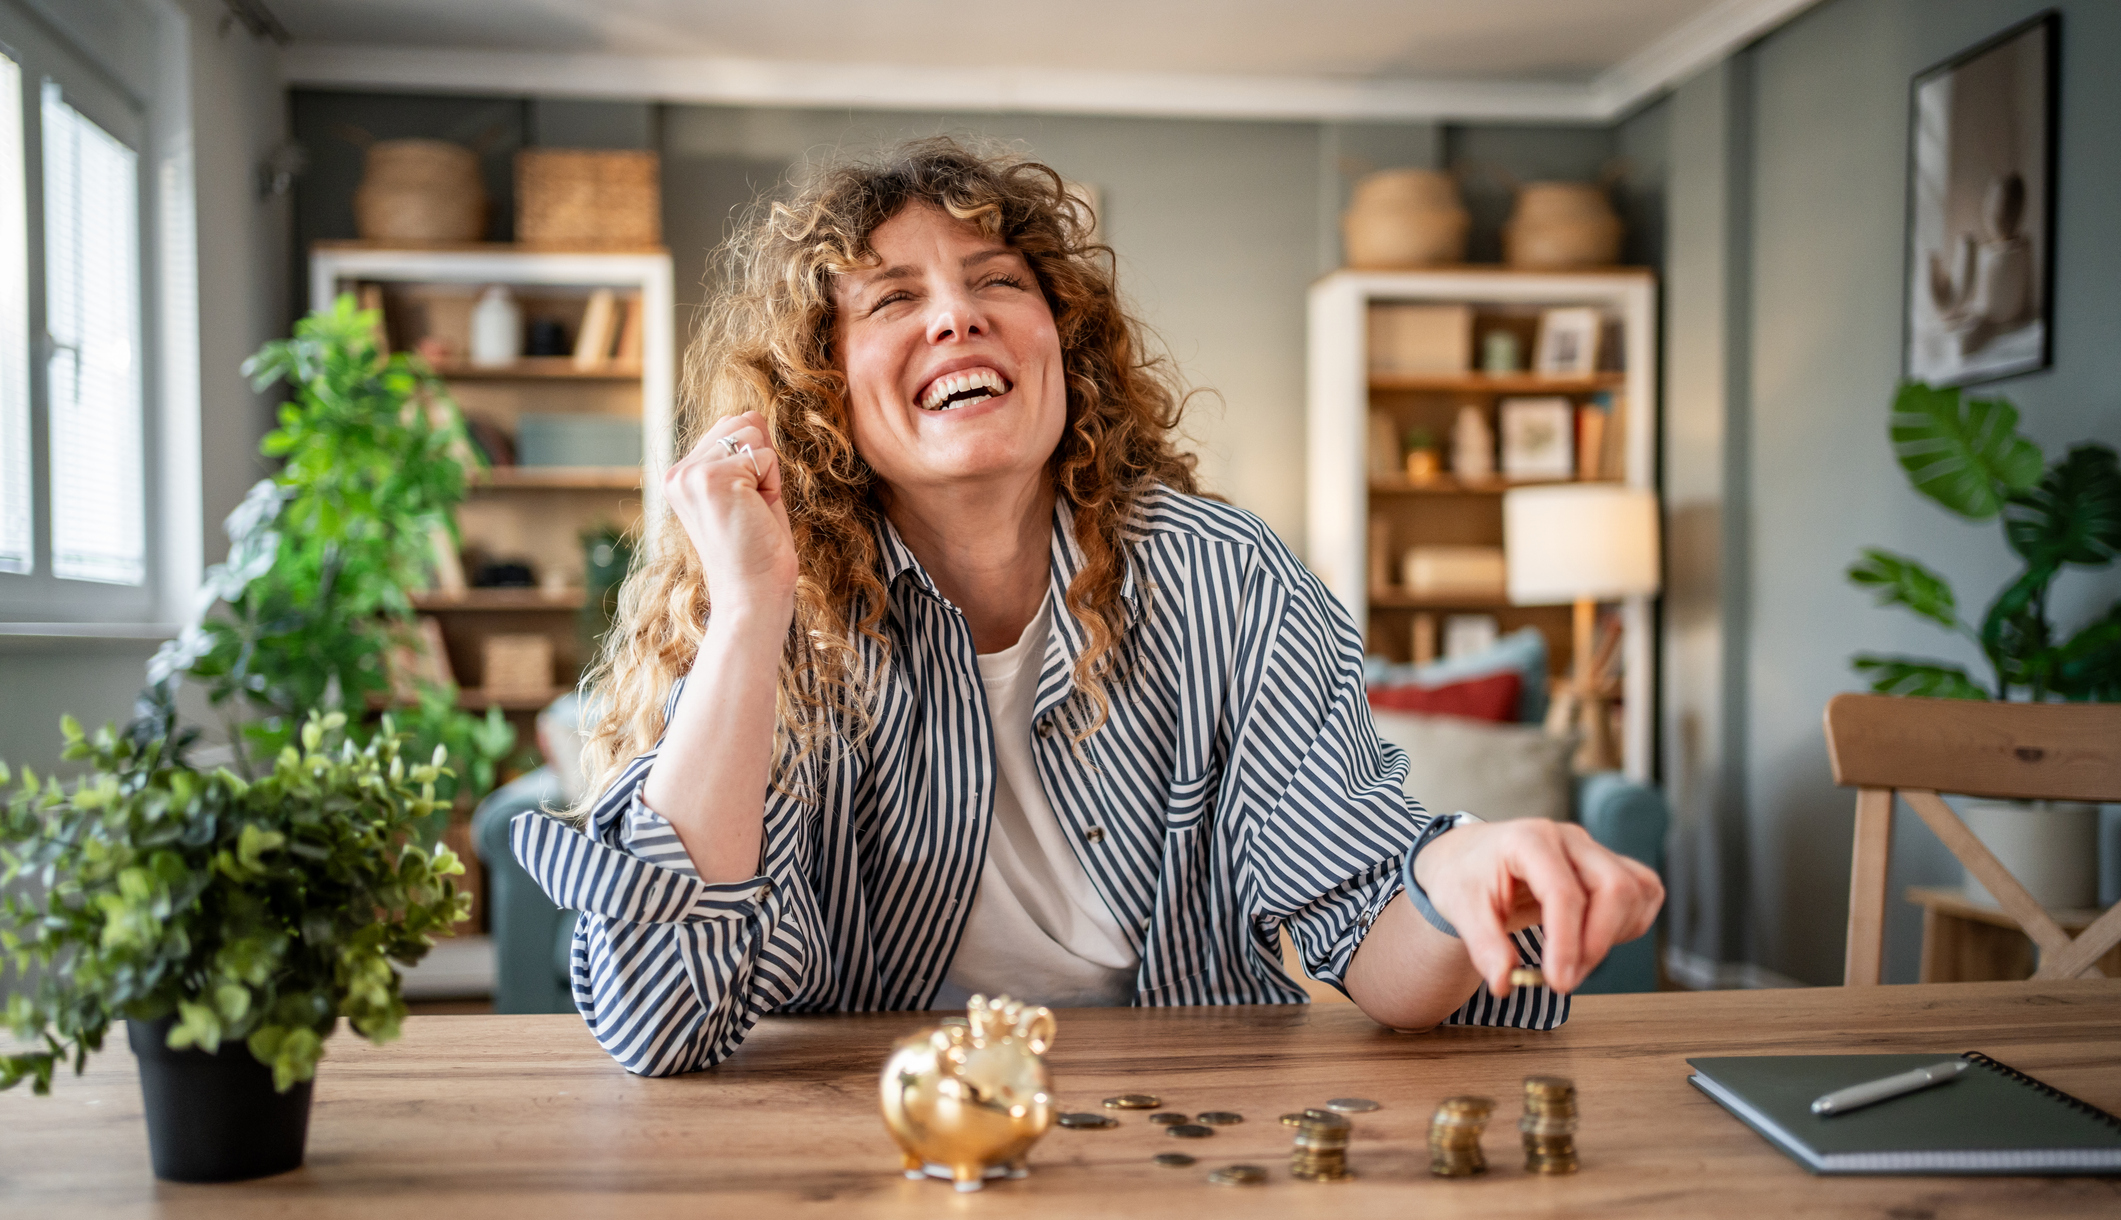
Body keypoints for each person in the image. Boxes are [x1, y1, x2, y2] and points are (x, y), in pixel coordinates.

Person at [512, 138, 1662, 1077]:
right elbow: (661, 1017)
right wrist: (750, 606)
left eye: (998, 282)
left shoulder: (1226, 578)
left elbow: (1381, 955)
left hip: (1190, 1134)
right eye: (895, 299)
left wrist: (1455, 877)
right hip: (866, 1150)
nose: (956, 317)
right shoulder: (774, 611)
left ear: (1064, 347)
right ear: (818, 390)